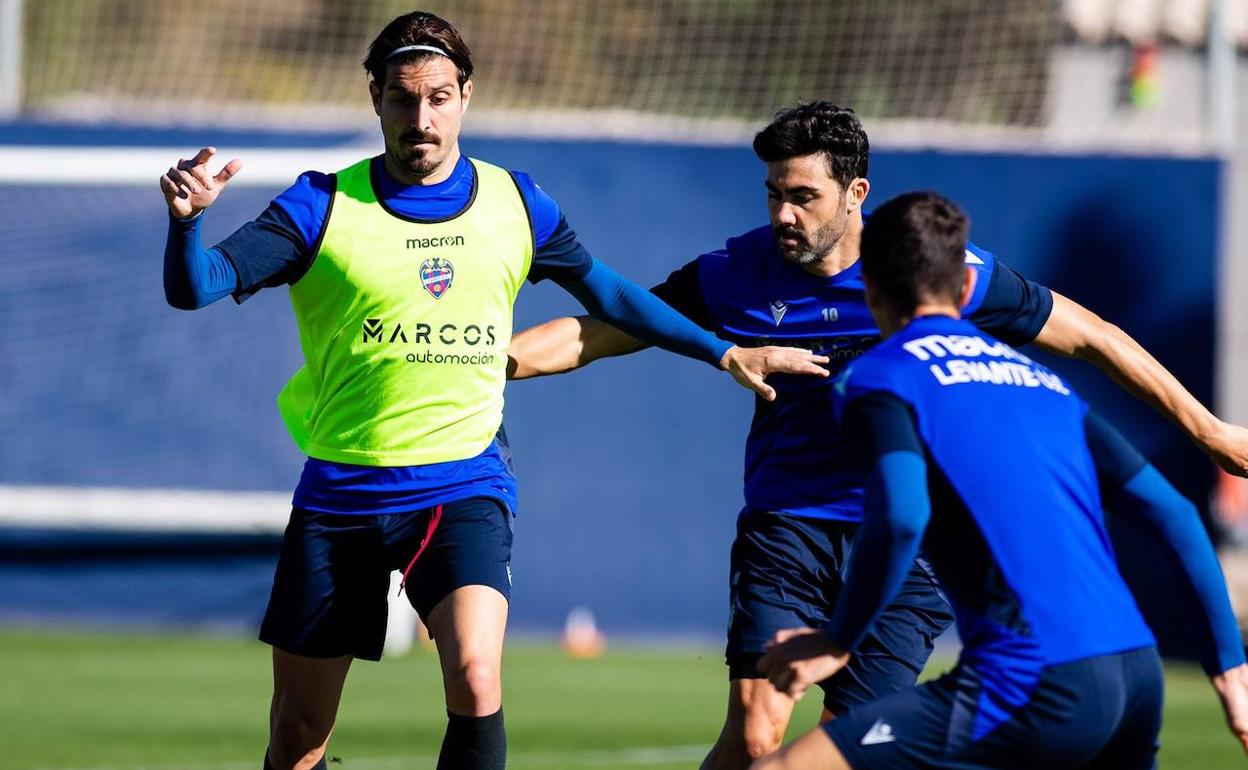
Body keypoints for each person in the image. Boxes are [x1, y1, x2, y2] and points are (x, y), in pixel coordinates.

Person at [158, 11, 826, 770]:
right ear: (375, 97)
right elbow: (198, 287)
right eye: (404, 100)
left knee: (477, 682)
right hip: (341, 490)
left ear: (466, 96)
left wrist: (722, 351)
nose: (422, 119)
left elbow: (609, 295)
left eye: (439, 98)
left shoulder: (516, 202)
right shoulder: (320, 206)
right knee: (299, 736)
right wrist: (186, 225)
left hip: (462, 481)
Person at [506, 102, 1248, 768]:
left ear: (856, 193)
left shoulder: (939, 276)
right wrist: (497, 360)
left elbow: (1092, 337)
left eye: (804, 197)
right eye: (774, 195)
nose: (784, 215)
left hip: (908, 555)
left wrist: (1206, 428)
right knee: (758, 732)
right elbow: (608, 328)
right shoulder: (736, 273)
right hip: (789, 527)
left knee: (856, 739)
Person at [754, 190, 1248, 769]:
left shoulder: (879, 378)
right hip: (1136, 673)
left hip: (1033, 675)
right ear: (965, 289)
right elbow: (1177, 517)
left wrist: (837, 640)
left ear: (870, 289)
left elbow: (903, 517)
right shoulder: (1042, 383)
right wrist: (1230, 669)